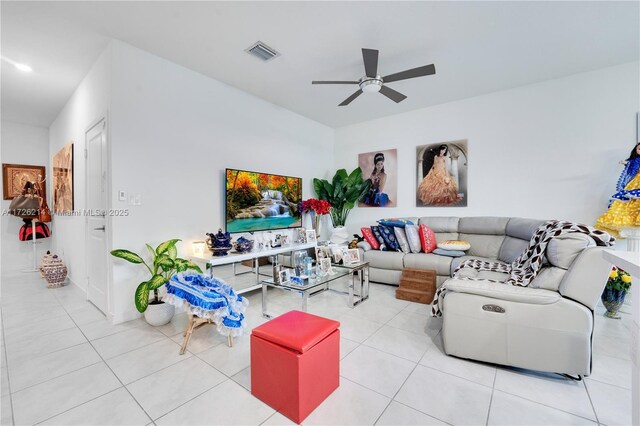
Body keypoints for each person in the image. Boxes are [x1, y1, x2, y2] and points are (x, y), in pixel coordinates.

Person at [596, 142, 640, 237]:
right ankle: (629, 219)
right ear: (635, 150)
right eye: (639, 149)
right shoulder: (635, 161)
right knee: (630, 200)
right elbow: (630, 167)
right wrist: (626, 163)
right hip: (635, 183)